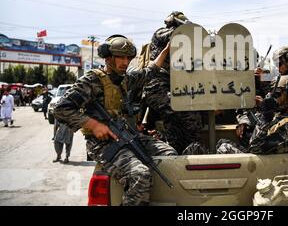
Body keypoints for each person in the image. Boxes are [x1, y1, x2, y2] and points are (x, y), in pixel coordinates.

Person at [53, 34, 178, 206]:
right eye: (121, 57)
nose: (125, 62)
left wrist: (166, 50)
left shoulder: (125, 79)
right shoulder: (91, 80)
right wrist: (93, 125)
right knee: (139, 175)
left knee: (170, 155)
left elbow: (150, 71)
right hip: (104, 145)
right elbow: (60, 109)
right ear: (108, 57)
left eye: (128, 58)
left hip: (129, 136)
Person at [139, 12, 204, 154]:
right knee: (185, 111)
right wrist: (186, 26)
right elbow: (177, 35)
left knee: (175, 122)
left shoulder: (185, 40)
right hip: (156, 84)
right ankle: (189, 146)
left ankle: (184, 150)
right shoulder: (162, 33)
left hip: (173, 84)